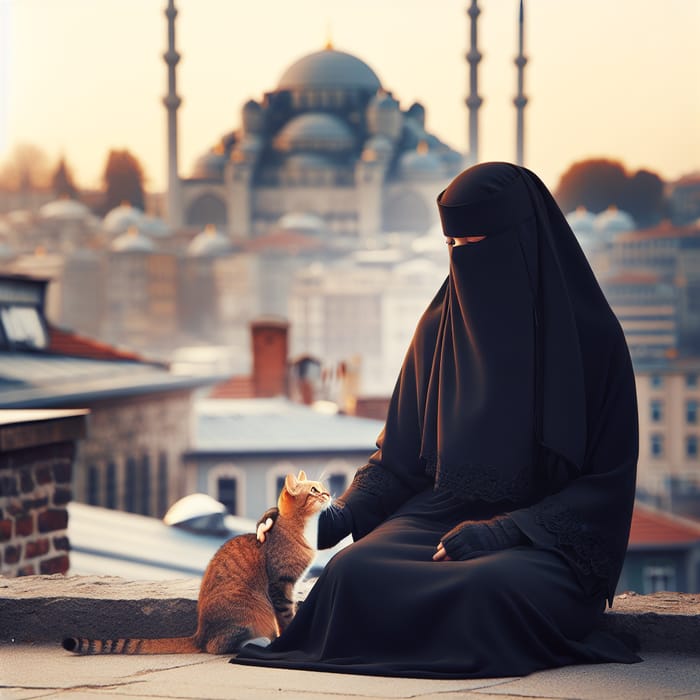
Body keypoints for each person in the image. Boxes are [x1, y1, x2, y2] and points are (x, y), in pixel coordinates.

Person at [234, 162, 640, 678]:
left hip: (543, 541)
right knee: (353, 572)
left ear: (524, 242)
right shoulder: (440, 328)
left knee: (487, 589)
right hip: (439, 517)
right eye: (455, 246)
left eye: (479, 244)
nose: (465, 260)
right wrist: (339, 518)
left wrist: (503, 532)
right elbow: (398, 459)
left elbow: (606, 485)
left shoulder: (591, 341)